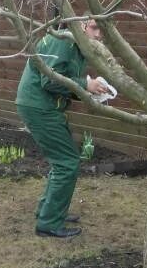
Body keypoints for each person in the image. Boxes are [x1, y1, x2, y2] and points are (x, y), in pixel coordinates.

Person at [15, 19, 109, 238]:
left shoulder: (73, 44)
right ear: (83, 25)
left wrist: (89, 89)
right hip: (39, 107)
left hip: (44, 106)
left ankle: (47, 211)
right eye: (95, 28)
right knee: (67, 163)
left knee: (63, 161)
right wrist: (85, 85)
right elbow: (50, 81)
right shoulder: (64, 41)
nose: (98, 35)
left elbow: (64, 80)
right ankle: (48, 223)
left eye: (102, 31)